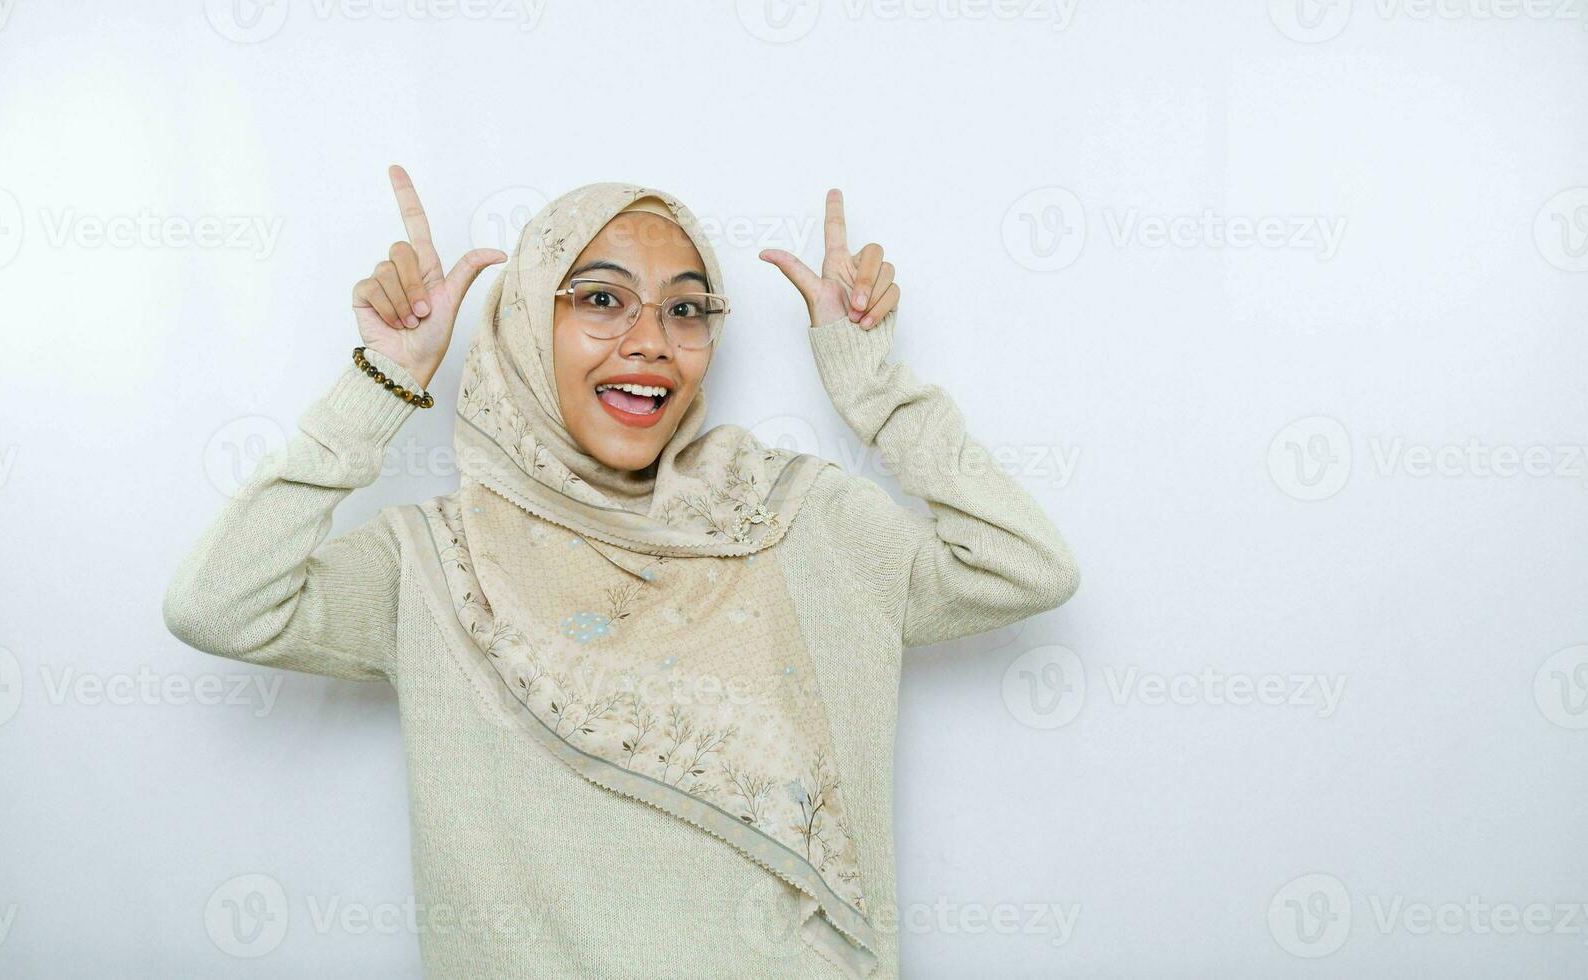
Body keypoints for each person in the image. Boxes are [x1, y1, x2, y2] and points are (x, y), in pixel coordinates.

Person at [162, 165, 1080, 978]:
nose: (651, 340)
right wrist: (382, 380)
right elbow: (220, 607)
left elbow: (1025, 569)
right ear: (525, 319)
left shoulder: (797, 519)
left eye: (685, 308)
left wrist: (875, 389)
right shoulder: (437, 566)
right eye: (601, 299)